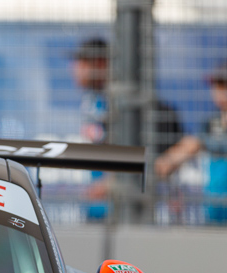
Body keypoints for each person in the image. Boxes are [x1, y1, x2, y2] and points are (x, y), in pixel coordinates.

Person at [155, 61, 227, 223]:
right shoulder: (211, 123)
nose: (218, 91)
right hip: (213, 216)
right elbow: (183, 151)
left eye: (224, 85)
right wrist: (158, 167)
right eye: (216, 86)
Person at [72, 37, 183, 205]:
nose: (75, 69)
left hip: (128, 210)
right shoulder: (93, 102)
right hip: (97, 210)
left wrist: (111, 184)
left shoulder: (132, 107)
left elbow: (150, 158)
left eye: (82, 63)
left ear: (101, 64)